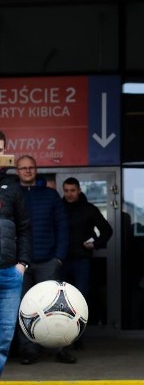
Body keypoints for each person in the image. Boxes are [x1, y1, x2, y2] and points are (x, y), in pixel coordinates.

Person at [14, 155, 72, 365]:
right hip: (20, 263)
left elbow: (62, 227)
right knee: (25, 308)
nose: (27, 171)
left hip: (48, 261)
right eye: (23, 168)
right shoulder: (12, 194)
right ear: (17, 171)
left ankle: (60, 349)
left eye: (31, 168)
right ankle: (28, 350)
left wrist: (58, 257)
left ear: (36, 170)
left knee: (55, 307)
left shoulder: (50, 195)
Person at [0, 131, 32, 385]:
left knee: (2, 341)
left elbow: (24, 228)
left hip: (10, 274)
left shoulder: (13, 188)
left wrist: (22, 263)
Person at [61, 177, 114, 336]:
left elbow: (107, 230)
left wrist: (95, 244)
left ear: (79, 191)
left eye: (72, 190)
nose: (69, 194)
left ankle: (78, 336)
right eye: (66, 191)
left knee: (80, 300)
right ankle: (63, 335)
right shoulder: (58, 208)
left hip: (82, 260)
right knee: (61, 302)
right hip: (61, 260)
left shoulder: (89, 209)